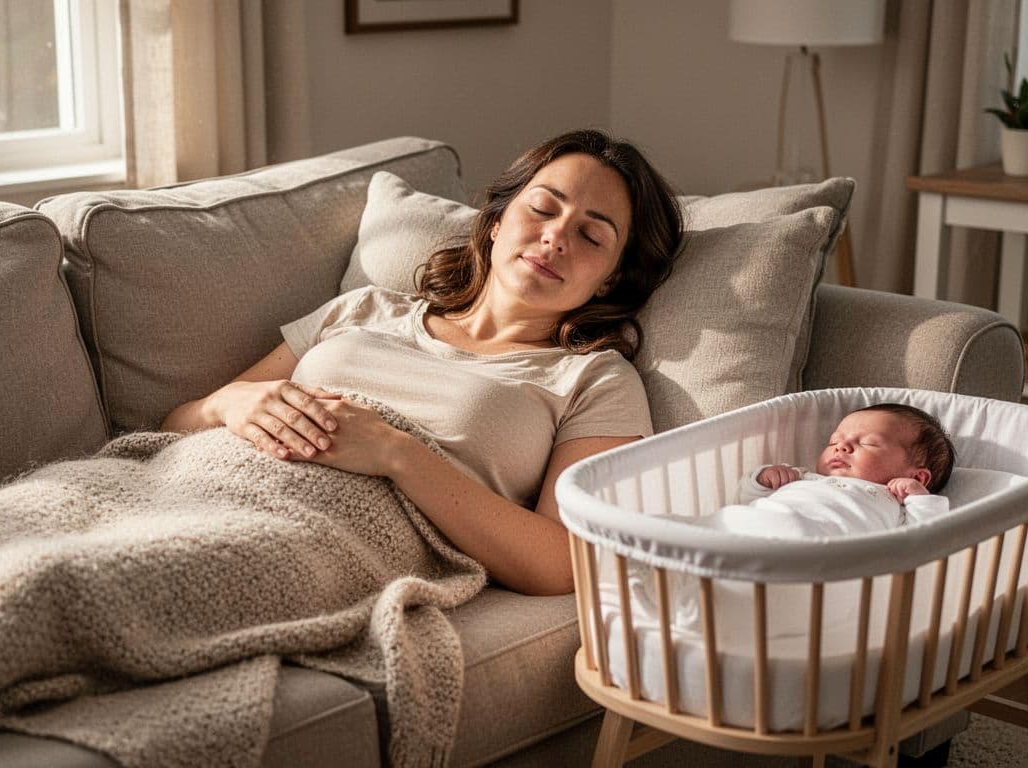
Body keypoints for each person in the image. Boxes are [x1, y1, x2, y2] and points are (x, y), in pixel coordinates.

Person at [162, 129, 683, 596]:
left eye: (592, 236)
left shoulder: (594, 379)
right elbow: (174, 426)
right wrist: (233, 401)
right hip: (188, 492)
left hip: (311, 542)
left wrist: (395, 453)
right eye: (543, 209)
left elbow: (562, 564)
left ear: (611, 279)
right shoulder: (364, 308)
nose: (556, 237)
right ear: (498, 222)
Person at [689, 403, 956, 539]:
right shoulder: (802, 477)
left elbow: (924, 542)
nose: (841, 447)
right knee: (686, 530)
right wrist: (762, 480)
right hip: (739, 527)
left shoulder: (894, 506)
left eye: (868, 443)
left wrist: (919, 498)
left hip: (807, 546)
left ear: (917, 476)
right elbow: (744, 499)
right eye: (834, 441)